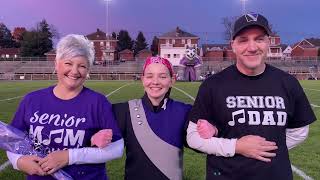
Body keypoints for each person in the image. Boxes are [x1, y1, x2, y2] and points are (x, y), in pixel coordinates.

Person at [186, 13, 316, 180]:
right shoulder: (213, 85)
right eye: (243, 40)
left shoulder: (288, 83)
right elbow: (193, 138)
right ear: (233, 45)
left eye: (259, 39)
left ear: (269, 42)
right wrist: (237, 147)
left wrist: (265, 148)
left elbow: (299, 131)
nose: (252, 47)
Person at [6, 34, 124, 180]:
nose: (74, 71)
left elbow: (117, 149)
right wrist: (18, 161)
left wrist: (69, 156)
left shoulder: (98, 102)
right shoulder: (32, 100)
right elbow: (10, 140)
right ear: (57, 63)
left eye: (82, 66)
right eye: (68, 63)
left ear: (88, 70)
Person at [111, 56, 191, 180]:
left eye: (163, 76)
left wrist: (212, 130)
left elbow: (200, 144)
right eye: (149, 76)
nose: (155, 81)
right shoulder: (124, 110)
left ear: (172, 80)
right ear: (142, 80)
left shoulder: (185, 111)